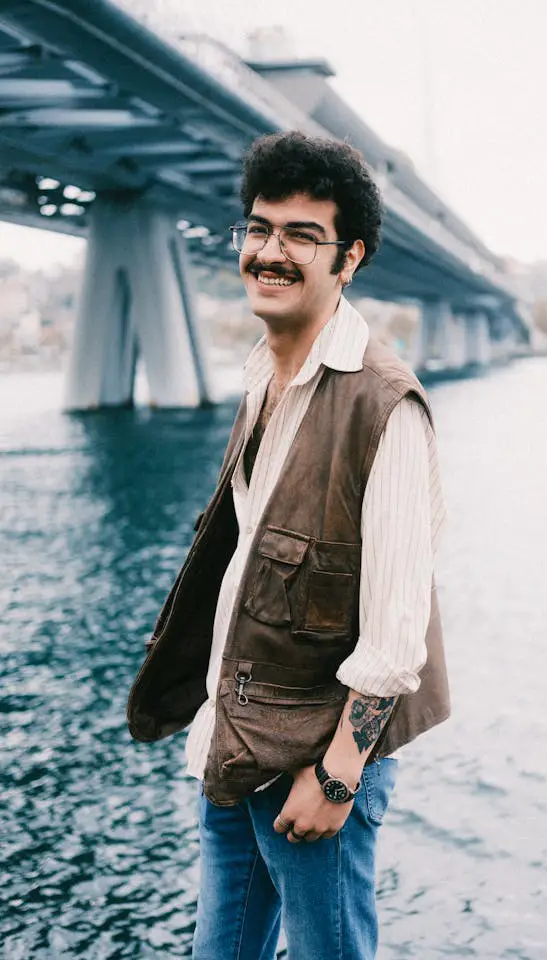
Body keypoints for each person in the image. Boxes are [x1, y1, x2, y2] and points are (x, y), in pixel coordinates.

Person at [127, 131, 450, 960]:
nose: (271, 253)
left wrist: (339, 777)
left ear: (350, 260)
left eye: (302, 236)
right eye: (260, 229)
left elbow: (394, 635)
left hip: (317, 771)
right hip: (234, 750)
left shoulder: (386, 408)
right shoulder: (262, 372)